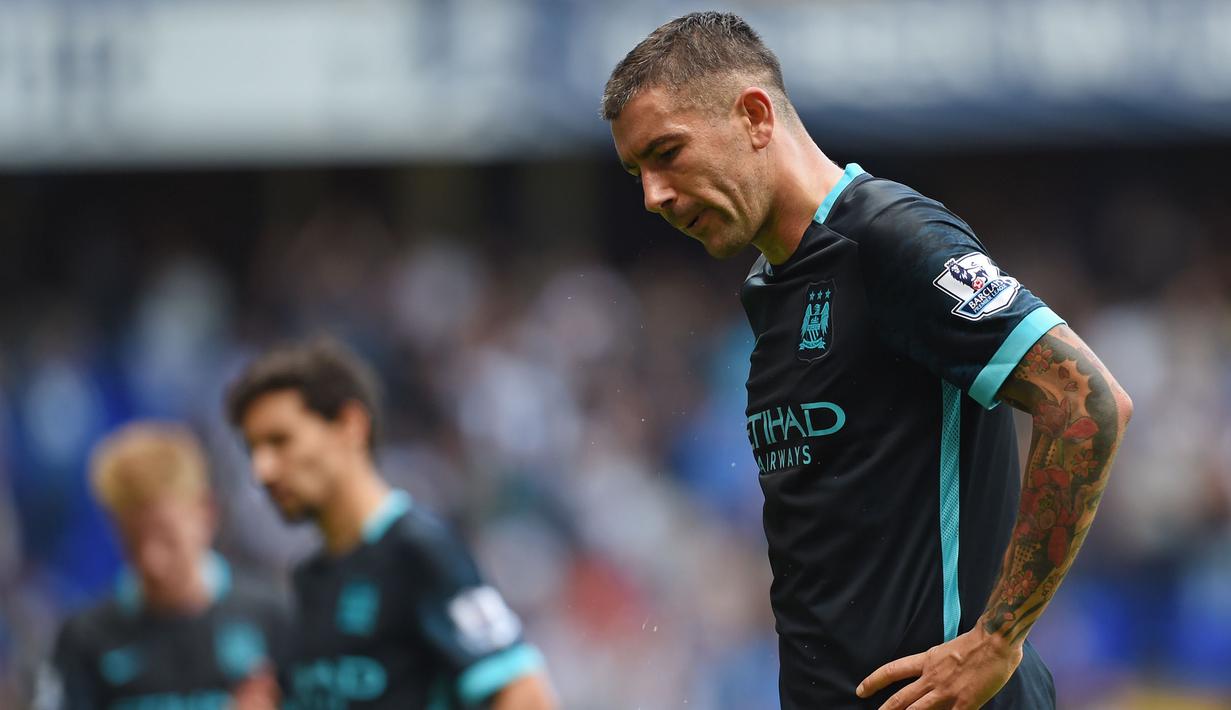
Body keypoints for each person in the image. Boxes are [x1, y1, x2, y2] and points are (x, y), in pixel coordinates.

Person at [603, 12, 1133, 710]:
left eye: (666, 153)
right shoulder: (772, 289)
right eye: (636, 171)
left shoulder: (888, 238)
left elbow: (1086, 402)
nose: (653, 196)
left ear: (755, 116)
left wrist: (998, 637)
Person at [225, 339, 556, 710]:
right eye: (252, 450)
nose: (261, 471)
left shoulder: (419, 551)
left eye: (280, 441)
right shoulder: (307, 581)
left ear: (350, 425)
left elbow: (526, 694)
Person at [35, 423, 285, 710]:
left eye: (168, 538)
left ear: (206, 513)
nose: (151, 560)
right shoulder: (84, 639)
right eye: (132, 541)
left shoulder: (273, 617)